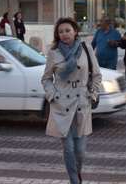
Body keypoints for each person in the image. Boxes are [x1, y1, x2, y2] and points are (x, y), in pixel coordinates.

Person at [42, 17, 102, 184]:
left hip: (82, 104)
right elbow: (46, 79)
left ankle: (77, 173)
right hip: (61, 105)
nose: (64, 34)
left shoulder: (86, 48)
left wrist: (93, 93)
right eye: (61, 32)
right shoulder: (53, 53)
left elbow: (96, 75)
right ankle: (74, 181)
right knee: (68, 149)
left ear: (75, 31)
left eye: (67, 30)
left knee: (80, 151)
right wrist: (52, 95)